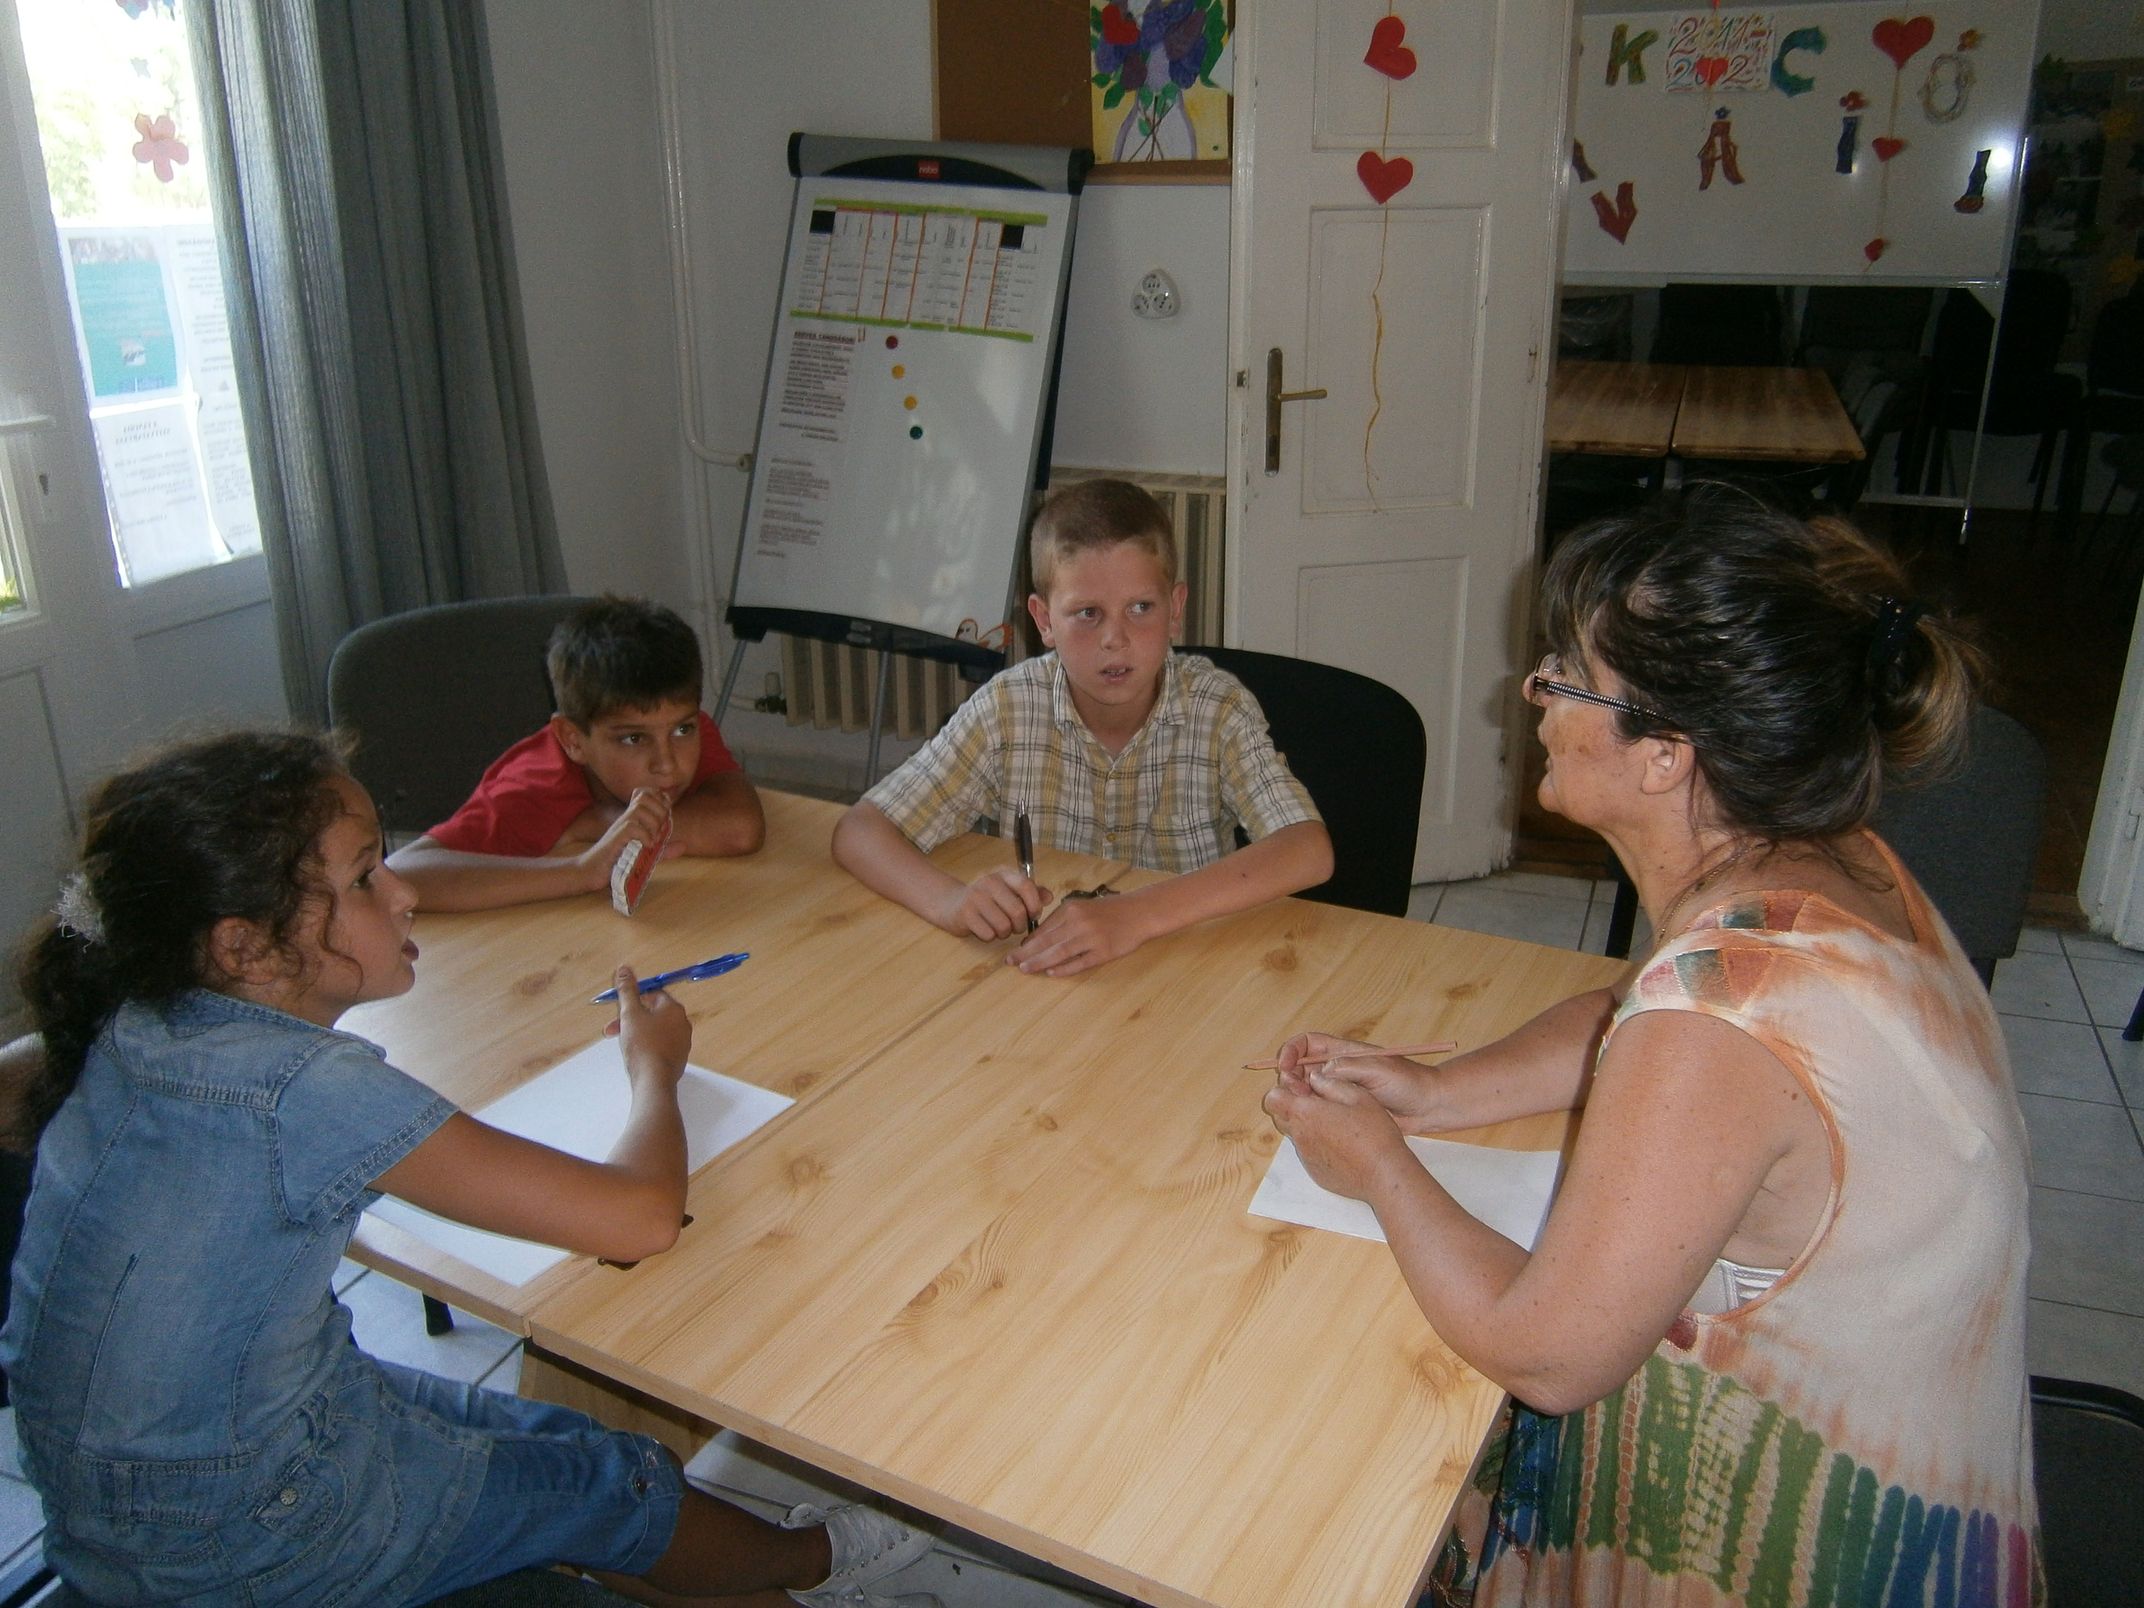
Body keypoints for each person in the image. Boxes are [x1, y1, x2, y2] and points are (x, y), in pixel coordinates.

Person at [1261, 495, 2043, 1605]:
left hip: (1814, 1545)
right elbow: (1631, 1006)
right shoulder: (1829, 862)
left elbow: (1548, 1355)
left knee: (1348, 1489)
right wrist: (1436, 1093)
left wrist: (1379, 1164)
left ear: (1667, 754)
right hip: (1927, 1497)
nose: (1532, 694)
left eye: (1565, 675)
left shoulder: (1713, 1021)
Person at [0, 731, 935, 1608]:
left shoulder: (136, 1018)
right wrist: (655, 1069)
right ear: (242, 946)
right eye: (365, 879)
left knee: (563, 1443)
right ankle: (816, 1562)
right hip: (248, 1531)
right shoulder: (303, 1089)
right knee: (609, 1480)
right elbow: (641, 1218)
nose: (401, 892)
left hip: (126, 1508)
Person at [832, 478, 1333, 977]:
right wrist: (952, 902)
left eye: (1141, 608)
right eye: (1088, 613)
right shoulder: (1007, 709)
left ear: (1175, 609)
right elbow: (861, 830)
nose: (1115, 638)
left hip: (1184, 967)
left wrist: (1136, 914)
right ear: (1044, 620)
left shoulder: (1218, 709)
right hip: (1047, 972)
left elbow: (1307, 849)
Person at [390, 596, 764, 911]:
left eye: (683, 729)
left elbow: (740, 829)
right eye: (634, 739)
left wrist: (600, 822)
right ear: (573, 740)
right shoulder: (535, 786)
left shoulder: (675, 722)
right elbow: (402, 873)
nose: (666, 764)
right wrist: (582, 870)